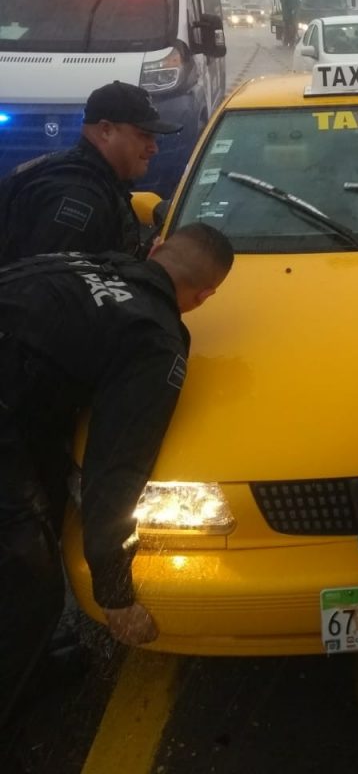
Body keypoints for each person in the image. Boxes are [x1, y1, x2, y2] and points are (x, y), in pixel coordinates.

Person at [0, 223, 233, 731]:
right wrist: (115, 592)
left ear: (155, 250)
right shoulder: (152, 337)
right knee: (27, 583)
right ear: (204, 295)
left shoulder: (93, 263)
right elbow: (117, 466)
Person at [0, 80, 181, 264]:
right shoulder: (79, 199)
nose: (154, 148)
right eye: (144, 135)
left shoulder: (89, 177)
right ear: (106, 130)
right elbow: (53, 284)